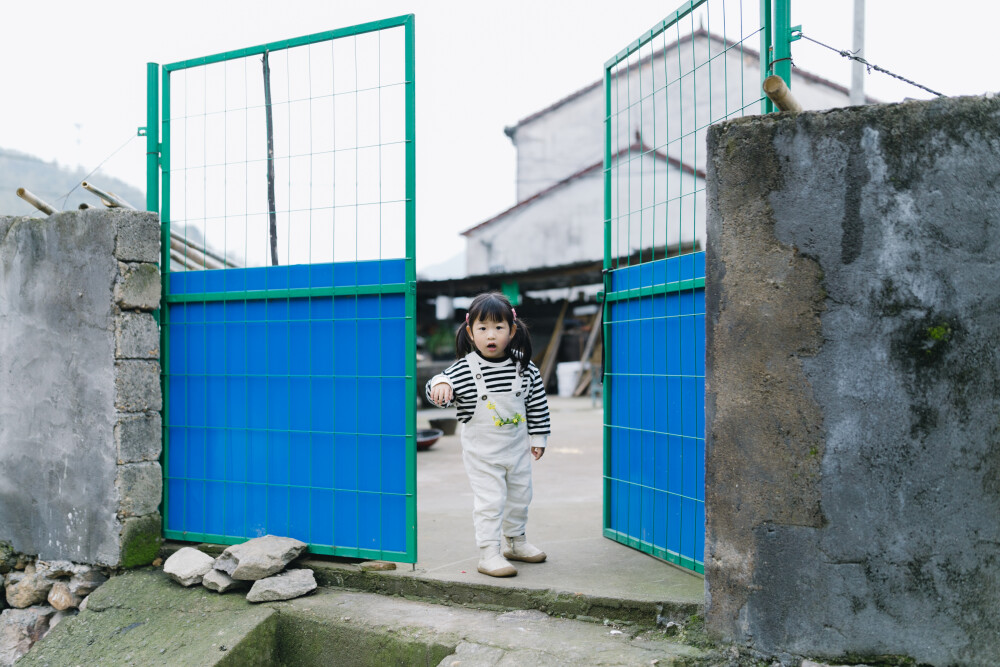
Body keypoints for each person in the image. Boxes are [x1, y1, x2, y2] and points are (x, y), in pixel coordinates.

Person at [426, 293, 550, 577]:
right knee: (491, 502)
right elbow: (436, 385)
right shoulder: (464, 370)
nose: (490, 335)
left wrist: (539, 437)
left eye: (499, 327)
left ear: (512, 330)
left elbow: (537, 404)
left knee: (521, 497)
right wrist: (441, 385)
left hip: (517, 450)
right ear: (470, 332)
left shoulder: (525, 367)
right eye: (482, 328)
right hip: (482, 456)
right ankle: (489, 553)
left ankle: (515, 543)